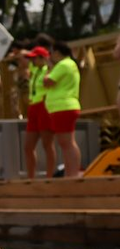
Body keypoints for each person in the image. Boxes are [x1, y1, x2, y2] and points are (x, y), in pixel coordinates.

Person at [44, 40, 82, 179]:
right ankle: (70, 173)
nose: (50, 56)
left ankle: (72, 174)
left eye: (51, 53)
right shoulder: (69, 64)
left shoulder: (64, 64)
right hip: (63, 107)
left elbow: (47, 81)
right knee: (65, 142)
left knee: (67, 142)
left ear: (57, 52)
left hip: (63, 107)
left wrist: (49, 68)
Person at [22, 43, 56, 179]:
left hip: (44, 105)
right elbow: (22, 58)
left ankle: (49, 177)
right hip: (33, 107)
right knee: (28, 146)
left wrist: (48, 62)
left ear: (42, 58)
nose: (32, 61)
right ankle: (31, 177)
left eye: (35, 58)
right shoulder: (35, 69)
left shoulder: (49, 69)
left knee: (47, 143)